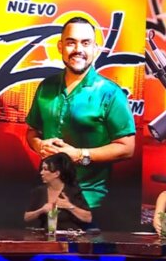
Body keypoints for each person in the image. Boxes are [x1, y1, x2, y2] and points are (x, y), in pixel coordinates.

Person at [25, 16, 136, 221]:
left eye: (85, 43)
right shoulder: (46, 87)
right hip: (46, 200)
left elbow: (127, 148)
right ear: (60, 47)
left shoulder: (110, 93)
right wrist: (39, 145)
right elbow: (32, 131)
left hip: (89, 203)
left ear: (95, 48)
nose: (78, 49)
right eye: (71, 42)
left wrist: (79, 155)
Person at [24, 153, 92, 230]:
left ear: (56, 173)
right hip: (46, 235)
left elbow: (88, 218)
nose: (41, 173)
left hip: (68, 235)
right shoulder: (39, 191)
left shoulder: (72, 191)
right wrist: (41, 210)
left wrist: (69, 206)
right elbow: (27, 217)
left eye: (45, 169)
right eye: (42, 169)